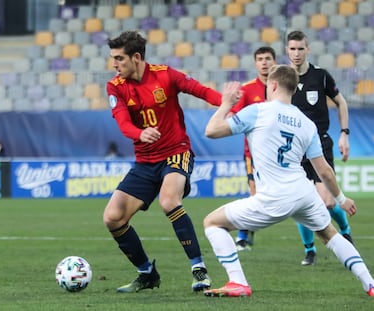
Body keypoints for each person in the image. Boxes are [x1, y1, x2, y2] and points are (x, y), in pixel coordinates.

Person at [201, 64, 374, 298]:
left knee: (212, 222)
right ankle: (370, 284)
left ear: (272, 85)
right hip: (303, 193)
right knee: (330, 235)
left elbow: (211, 131)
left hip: (273, 197)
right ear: (293, 89)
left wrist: (226, 104)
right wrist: (341, 199)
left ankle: (238, 282)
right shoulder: (306, 123)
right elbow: (324, 170)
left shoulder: (257, 111)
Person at [102, 30, 222, 293]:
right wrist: (139, 133)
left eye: (119, 58)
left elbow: (201, 91)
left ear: (136, 57)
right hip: (145, 162)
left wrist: (230, 104)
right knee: (112, 218)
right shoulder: (116, 87)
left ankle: (198, 269)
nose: (114, 64)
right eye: (112, 58)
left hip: (175, 152)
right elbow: (123, 123)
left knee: (169, 200)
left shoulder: (166, 75)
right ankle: (146, 273)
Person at [286, 30, 353, 266]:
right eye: (292, 49)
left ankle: (345, 231)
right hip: (294, 148)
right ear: (287, 50)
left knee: (327, 202)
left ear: (308, 49)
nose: (296, 53)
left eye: (300, 48)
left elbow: (341, 102)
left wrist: (344, 134)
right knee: (300, 201)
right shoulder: (283, 79)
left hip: (320, 143)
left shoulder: (321, 76)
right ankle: (310, 249)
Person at [227, 46, 277, 251]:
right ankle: (242, 236)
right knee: (255, 194)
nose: (264, 62)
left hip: (279, 153)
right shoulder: (247, 90)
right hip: (254, 153)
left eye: (267, 58)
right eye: (260, 59)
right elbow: (232, 116)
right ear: (255, 63)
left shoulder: (282, 87)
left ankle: (310, 245)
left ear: (275, 61)